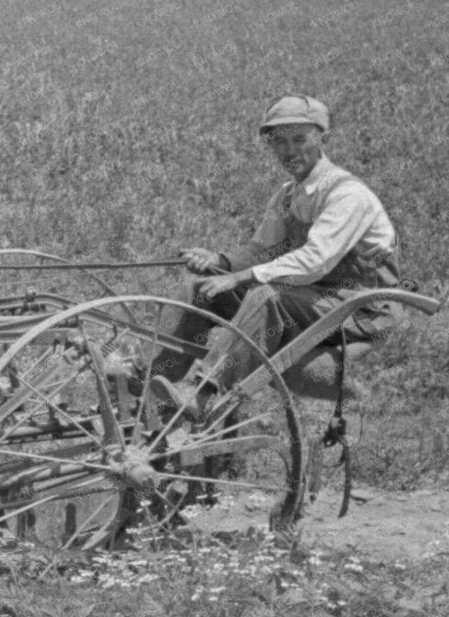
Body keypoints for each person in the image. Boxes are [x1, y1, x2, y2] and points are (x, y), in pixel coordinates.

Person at [151, 94, 401, 420]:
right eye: (279, 142)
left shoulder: (347, 194)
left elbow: (315, 260)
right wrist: (220, 262)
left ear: (321, 138)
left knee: (267, 295)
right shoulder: (287, 196)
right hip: (311, 298)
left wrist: (241, 277)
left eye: (300, 138)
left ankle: (203, 392)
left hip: (361, 307)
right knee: (199, 286)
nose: (290, 150)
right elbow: (260, 251)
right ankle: (152, 390)